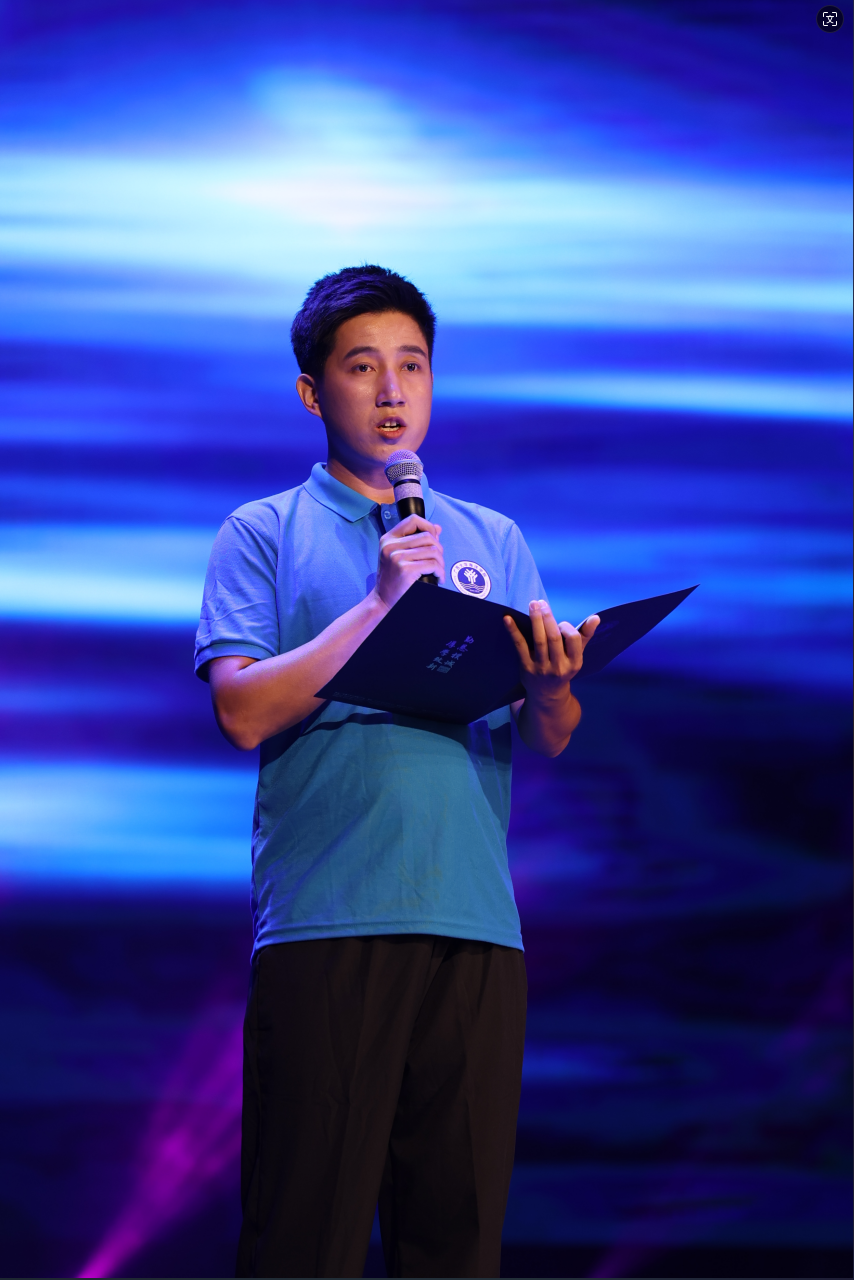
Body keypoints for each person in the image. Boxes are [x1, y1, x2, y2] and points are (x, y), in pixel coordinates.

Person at [194, 265, 599, 1279]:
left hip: (474, 924)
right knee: (305, 1236)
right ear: (311, 391)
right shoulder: (262, 532)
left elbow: (546, 734)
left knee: (455, 1242)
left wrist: (552, 686)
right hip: (329, 920)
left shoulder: (492, 538)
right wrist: (376, 606)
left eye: (411, 366)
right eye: (362, 367)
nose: (390, 392)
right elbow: (241, 711)